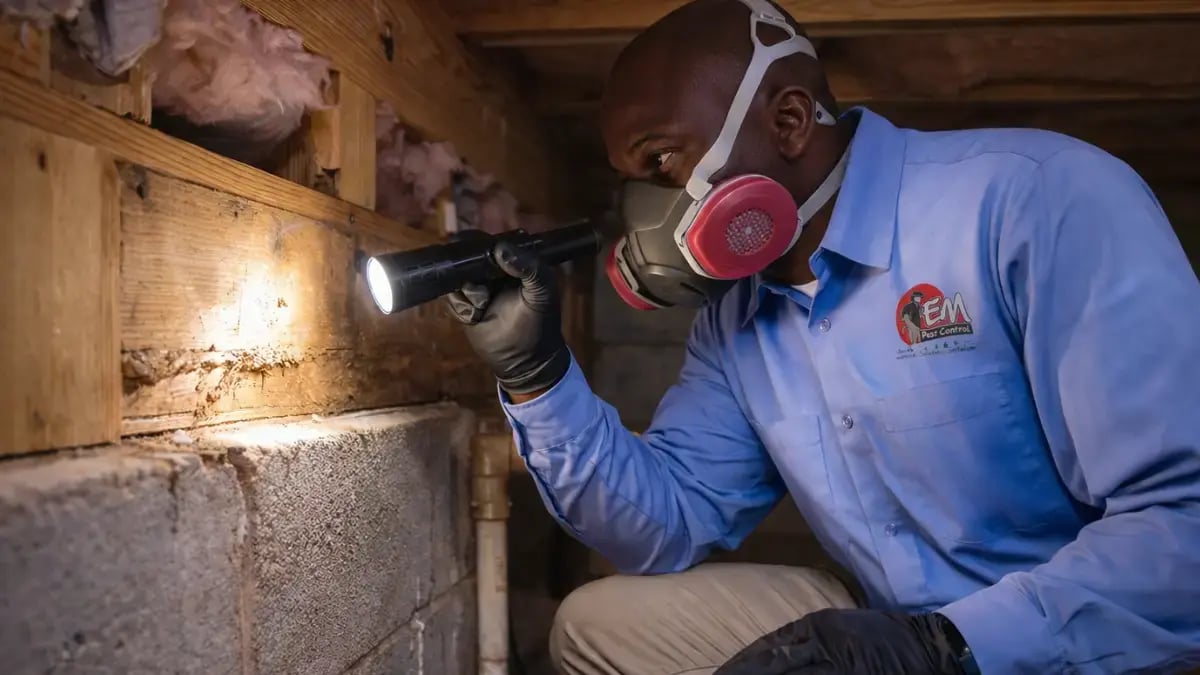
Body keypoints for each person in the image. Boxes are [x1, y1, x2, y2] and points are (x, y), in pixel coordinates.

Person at [447, 0, 1200, 673]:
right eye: (632, 180)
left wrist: (948, 648)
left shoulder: (1033, 203)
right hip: (886, 641)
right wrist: (539, 373)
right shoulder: (736, 317)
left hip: (1083, 648)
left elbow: (1184, 527)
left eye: (662, 161)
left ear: (789, 120)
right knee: (596, 626)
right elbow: (665, 521)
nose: (649, 212)